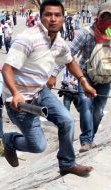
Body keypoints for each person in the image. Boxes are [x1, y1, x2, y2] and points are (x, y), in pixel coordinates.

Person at [2, 0, 96, 176]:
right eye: (48, 14)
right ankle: (9, 140)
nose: (53, 19)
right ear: (40, 17)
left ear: (63, 18)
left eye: (57, 15)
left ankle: (67, 163)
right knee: (38, 146)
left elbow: (69, 60)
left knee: (67, 121)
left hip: (40, 92)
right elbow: (6, 69)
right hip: (20, 102)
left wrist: (83, 81)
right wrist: (15, 94)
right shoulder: (28, 38)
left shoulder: (59, 41)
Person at [47, 2, 111, 153]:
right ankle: (86, 141)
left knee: (99, 112)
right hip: (86, 77)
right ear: (97, 17)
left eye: (110, 17)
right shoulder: (85, 33)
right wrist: (54, 74)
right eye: (104, 17)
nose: (106, 20)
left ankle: (91, 137)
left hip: (106, 79)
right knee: (85, 104)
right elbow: (68, 55)